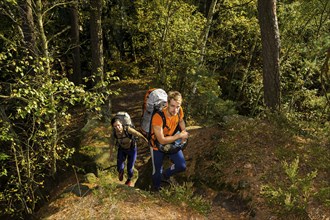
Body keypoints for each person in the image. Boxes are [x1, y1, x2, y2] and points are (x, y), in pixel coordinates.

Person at [150, 91, 189, 191]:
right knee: (157, 171)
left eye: (178, 106)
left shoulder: (179, 111)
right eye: (172, 106)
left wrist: (183, 132)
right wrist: (180, 135)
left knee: (181, 166)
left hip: (171, 140)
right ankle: (156, 190)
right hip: (156, 145)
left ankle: (166, 175)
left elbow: (181, 120)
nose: (175, 109)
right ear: (167, 104)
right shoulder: (158, 117)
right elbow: (162, 140)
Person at [110, 117, 148, 186]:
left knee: (130, 168)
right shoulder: (114, 133)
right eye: (115, 126)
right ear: (113, 127)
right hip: (122, 149)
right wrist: (111, 154)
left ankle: (129, 180)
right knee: (119, 167)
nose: (117, 127)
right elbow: (111, 144)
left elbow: (136, 133)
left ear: (121, 124)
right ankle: (121, 172)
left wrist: (144, 139)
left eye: (118, 125)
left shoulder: (127, 129)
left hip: (132, 149)